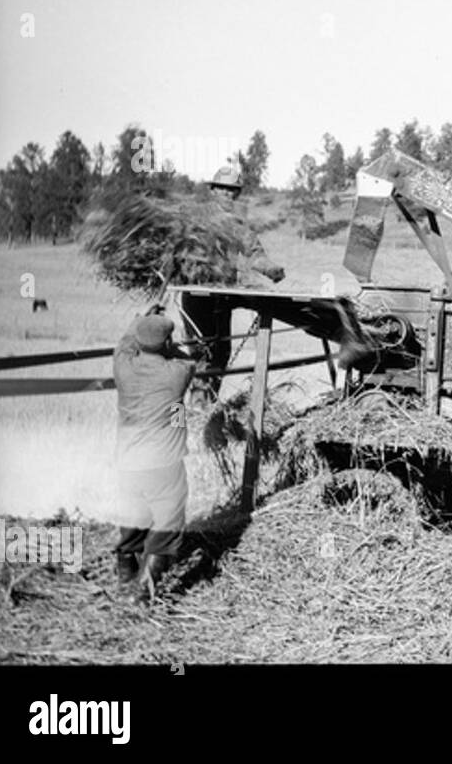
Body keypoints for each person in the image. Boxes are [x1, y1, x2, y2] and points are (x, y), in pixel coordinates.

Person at [178, 163, 285, 400]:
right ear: (213, 190)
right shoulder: (195, 218)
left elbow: (254, 252)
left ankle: (208, 407)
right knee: (202, 356)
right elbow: (177, 249)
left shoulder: (238, 223)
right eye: (222, 189)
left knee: (221, 354)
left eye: (232, 190)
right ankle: (196, 412)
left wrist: (271, 269)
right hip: (197, 295)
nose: (227, 194)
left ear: (237, 194)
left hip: (222, 295)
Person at [111, 309, 198, 602]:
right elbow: (188, 358)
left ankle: (125, 574)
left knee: (133, 516)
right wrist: (171, 346)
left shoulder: (123, 367)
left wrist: (139, 319)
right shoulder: (177, 373)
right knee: (167, 523)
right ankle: (143, 589)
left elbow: (124, 344)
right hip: (164, 464)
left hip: (127, 462)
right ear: (167, 341)